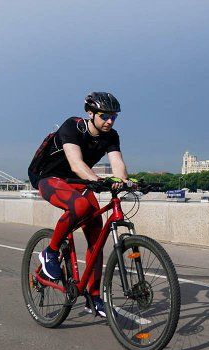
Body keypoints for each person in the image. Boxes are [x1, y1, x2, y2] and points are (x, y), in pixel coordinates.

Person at [36, 92, 133, 317]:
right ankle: (50, 252)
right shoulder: (73, 126)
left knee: (96, 239)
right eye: (104, 116)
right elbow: (76, 163)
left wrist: (124, 181)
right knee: (80, 207)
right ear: (90, 113)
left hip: (79, 183)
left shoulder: (111, 135)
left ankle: (94, 297)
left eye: (114, 117)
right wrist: (98, 181)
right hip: (51, 179)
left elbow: (117, 163)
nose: (109, 121)